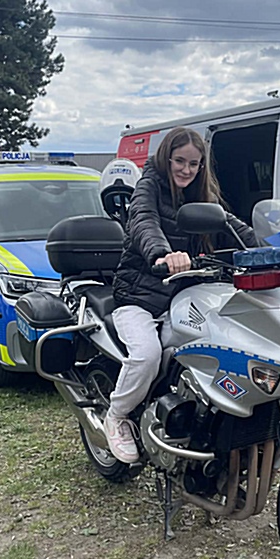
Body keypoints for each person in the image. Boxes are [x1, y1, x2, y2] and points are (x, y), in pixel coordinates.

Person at [104, 126, 259, 463]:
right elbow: (143, 220)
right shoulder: (149, 185)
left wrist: (273, 247)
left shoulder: (203, 194)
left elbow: (231, 226)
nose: (186, 170)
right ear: (166, 158)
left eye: (194, 164)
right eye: (180, 161)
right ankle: (117, 415)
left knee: (222, 344)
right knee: (146, 355)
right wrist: (162, 254)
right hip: (140, 296)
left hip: (184, 296)